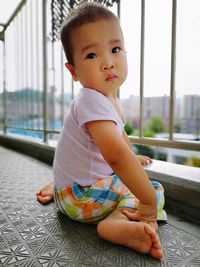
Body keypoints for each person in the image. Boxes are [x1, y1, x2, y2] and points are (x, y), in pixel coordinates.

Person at [36, 2, 167, 260]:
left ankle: (66, 189)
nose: (108, 63)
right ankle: (117, 223)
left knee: (135, 178)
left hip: (71, 193)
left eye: (115, 49)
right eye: (92, 55)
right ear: (73, 71)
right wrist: (149, 203)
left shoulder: (107, 98)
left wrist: (132, 155)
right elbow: (117, 158)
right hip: (80, 200)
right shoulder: (91, 101)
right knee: (152, 189)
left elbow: (120, 138)